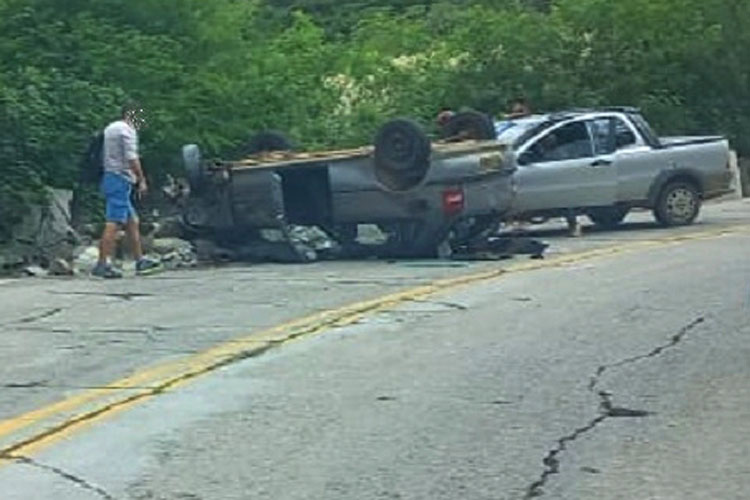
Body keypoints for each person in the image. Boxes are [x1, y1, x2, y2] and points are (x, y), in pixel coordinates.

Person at [92, 103, 161, 278]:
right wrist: (141, 179)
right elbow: (132, 158)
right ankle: (102, 264)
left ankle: (140, 260)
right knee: (114, 221)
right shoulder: (127, 131)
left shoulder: (111, 127)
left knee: (132, 221)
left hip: (109, 176)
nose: (142, 120)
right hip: (120, 179)